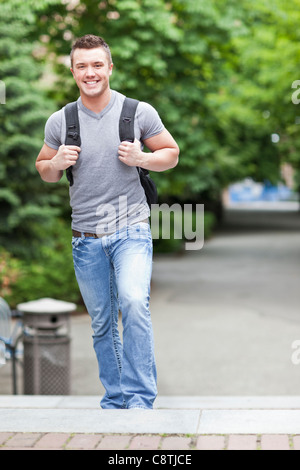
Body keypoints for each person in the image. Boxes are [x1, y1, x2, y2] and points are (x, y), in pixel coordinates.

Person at [35, 34, 179, 410]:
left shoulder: (137, 112)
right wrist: (55, 164)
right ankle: (115, 399)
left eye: (97, 64)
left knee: (133, 302)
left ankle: (141, 400)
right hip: (85, 236)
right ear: (72, 71)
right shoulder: (61, 120)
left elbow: (171, 153)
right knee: (101, 322)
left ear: (110, 67)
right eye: (81, 66)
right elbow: (44, 170)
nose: (90, 72)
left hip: (130, 227)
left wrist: (142, 158)